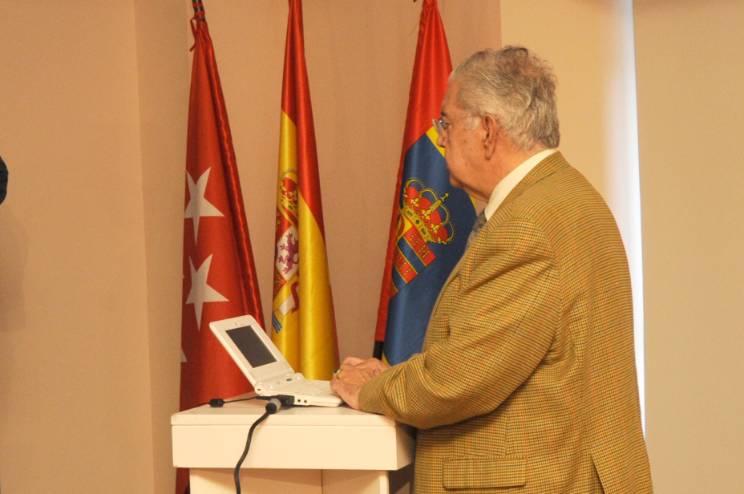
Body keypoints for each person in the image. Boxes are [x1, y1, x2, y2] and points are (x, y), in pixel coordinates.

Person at [332, 46, 652, 493]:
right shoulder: (567, 195)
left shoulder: (527, 224)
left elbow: (457, 380)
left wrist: (370, 388)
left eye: (446, 122)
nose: (440, 137)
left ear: (486, 130)